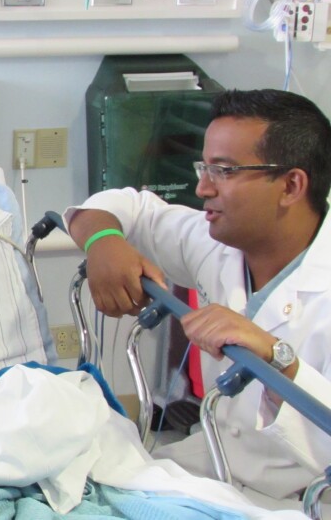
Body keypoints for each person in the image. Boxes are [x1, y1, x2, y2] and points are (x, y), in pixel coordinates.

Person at [64, 88, 331, 504]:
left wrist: (278, 358)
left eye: (224, 170)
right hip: (210, 464)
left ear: (291, 185)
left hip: (305, 500)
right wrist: (103, 241)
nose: (202, 187)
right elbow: (123, 208)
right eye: (203, 166)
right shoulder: (218, 244)